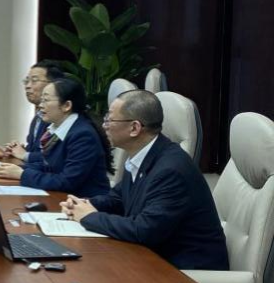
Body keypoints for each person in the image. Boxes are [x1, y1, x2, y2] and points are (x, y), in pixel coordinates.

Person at [62, 89, 228, 270]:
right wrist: (83, 204)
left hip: (186, 271)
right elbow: (118, 198)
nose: (104, 126)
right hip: (154, 258)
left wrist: (90, 217)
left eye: (110, 120)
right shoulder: (142, 155)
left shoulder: (170, 170)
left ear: (134, 128)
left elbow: (144, 230)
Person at [0, 76, 111, 196]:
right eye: (41, 100)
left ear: (66, 105)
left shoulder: (82, 135)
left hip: (85, 201)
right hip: (63, 197)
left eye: (46, 100)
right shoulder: (59, 129)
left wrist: (22, 174)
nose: (41, 105)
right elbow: (49, 166)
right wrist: (16, 168)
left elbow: (67, 182)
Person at [0, 60, 65, 162]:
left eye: (34, 80)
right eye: (26, 81)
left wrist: (25, 155)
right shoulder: (38, 116)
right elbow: (34, 150)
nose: (27, 86)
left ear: (53, 85)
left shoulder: (59, 118)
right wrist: (17, 150)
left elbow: (54, 158)